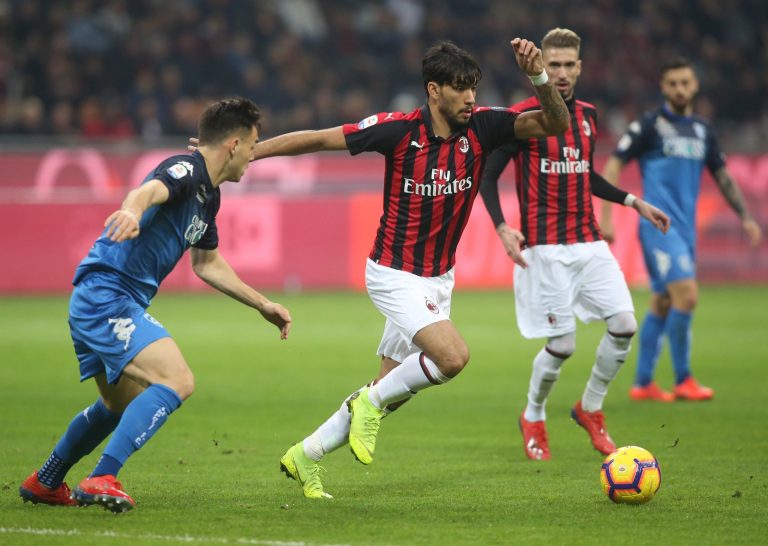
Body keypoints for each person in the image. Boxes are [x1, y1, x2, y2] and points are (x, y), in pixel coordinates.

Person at [215, 38, 569, 498]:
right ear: (434, 90)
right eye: (460, 88)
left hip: (438, 278)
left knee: (391, 391)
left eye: (474, 88)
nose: (471, 98)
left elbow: (555, 123)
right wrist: (250, 152)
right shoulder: (398, 131)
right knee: (451, 358)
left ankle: (306, 454)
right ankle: (368, 402)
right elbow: (320, 138)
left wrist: (538, 75)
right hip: (393, 272)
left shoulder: (485, 126)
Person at [19, 98, 292, 512]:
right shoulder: (185, 170)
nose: (255, 156)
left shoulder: (209, 197)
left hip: (105, 299)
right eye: (253, 145)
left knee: (118, 404)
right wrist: (131, 212)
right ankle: (102, 476)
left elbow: (207, 263)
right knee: (177, 379)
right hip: (108, 296)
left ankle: (46, 480)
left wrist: (261, 303)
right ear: (234, 144)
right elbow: (146, 191)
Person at [479, 28, 670, 461]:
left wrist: (633, 201)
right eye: (553, 65)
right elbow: (488, 176)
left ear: (580, 68)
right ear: (541, 66)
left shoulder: (588, 115)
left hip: (589, 241)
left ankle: (590, 408)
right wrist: (502, 227)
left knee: (625, 324)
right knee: (563, 346)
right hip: (545, 247)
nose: (561, 73)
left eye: (568, 65)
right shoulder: (522, 117)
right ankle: (533, 415)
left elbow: (584, 171)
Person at [601, 57, 762, 402]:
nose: (679, 89)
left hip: (686, 230)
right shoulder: (649, 126)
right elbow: (613, 164)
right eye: (672, 83)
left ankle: (643, 383)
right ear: (663, 87)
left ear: (695, 85)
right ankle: (683, 378)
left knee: (662, 302)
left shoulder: (703, 130)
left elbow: (722, 176)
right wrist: (608, 217)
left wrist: (745, 216)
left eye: (685, 83)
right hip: (658, 228)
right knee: (687, 296)